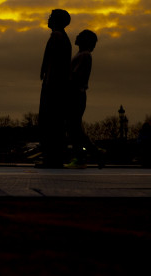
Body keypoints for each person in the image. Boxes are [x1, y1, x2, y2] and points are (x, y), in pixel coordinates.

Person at [65, 29, 104, 169]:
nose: (76, 36)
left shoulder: (84, 55)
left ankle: (83, 157)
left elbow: (76, 77)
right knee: (75, 128)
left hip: (75, 94)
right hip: (76, 94)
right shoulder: (83, 55)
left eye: (79, 36)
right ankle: (91, 153)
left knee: (74, 128)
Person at [38, 9, 72, 168]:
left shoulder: (56, 36)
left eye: (51, 17)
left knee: (50, 121)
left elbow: (54, 62)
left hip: (53, 85)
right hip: (58, 85)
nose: (48, 19)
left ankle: (51, 158)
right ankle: (54, 157)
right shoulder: (63, 37)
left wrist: (47, 82)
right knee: (56, 123)